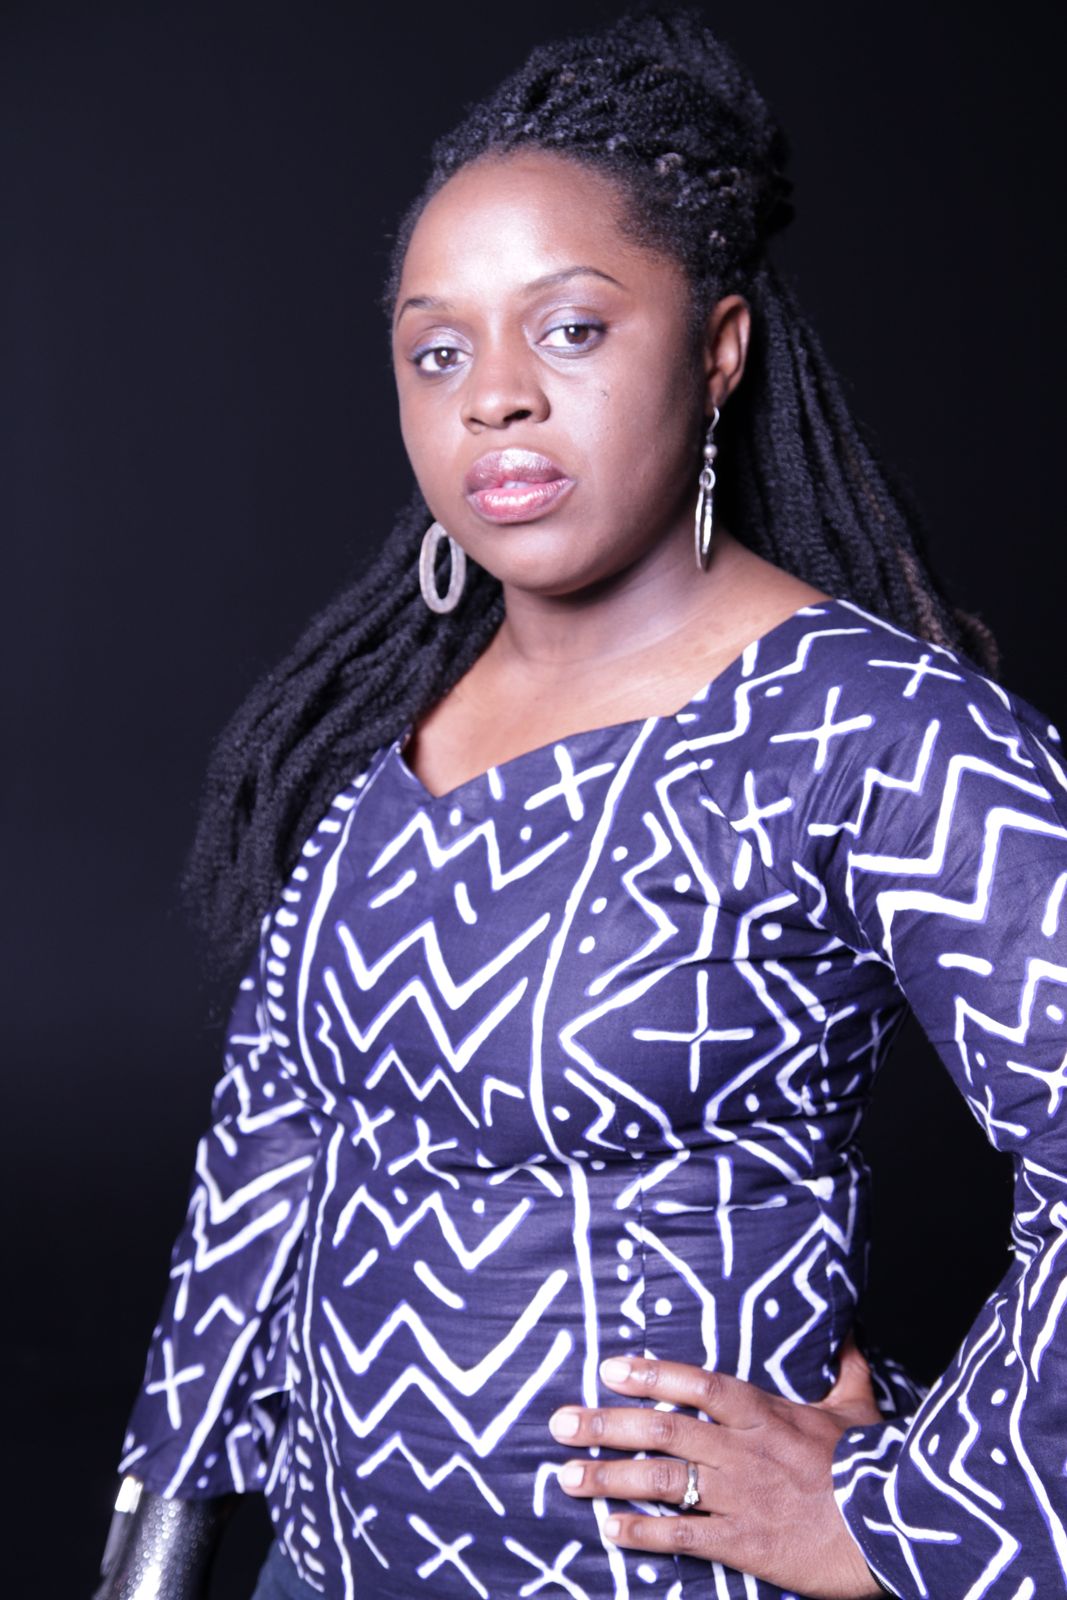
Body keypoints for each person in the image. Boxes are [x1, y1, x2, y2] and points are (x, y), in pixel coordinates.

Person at [93, 9, 1067, 1599]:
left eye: (569, 329)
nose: (495, 398)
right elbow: (260, 1169)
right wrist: (161, 1548)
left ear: (720, 348)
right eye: (439, 350)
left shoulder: (878, 731)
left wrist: (909, 1514)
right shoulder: (374, 735)